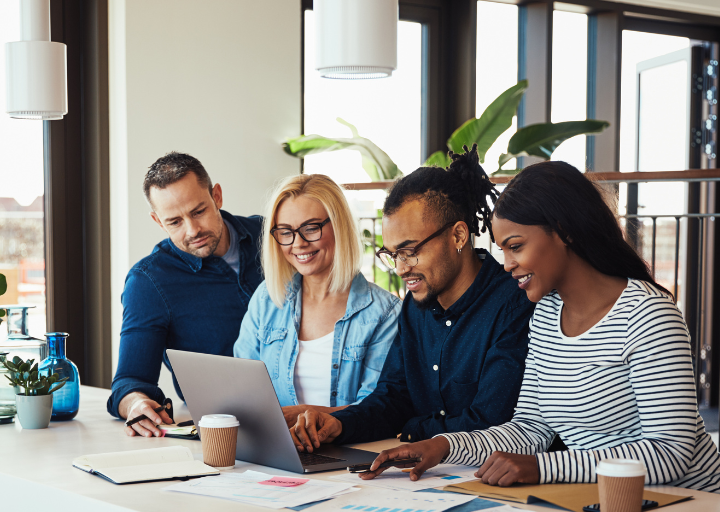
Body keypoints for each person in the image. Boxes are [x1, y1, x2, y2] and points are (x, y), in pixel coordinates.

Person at [362, 160, 720, 498]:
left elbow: (671, 453)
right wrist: (444, 446)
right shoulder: (547, 314)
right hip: (615, 503)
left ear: (563, 232)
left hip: (700, 506)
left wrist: (543, 468)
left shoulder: (648, 315)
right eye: (502, 249)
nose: (507, 264)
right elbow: (531, 428)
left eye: (515, 246)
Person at [290, 147, 533, 451]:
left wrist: (414, 427)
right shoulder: (414, 308)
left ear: (458, 236)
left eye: (410, 252)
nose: (402, 268)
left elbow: (489, 422)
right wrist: (340, 424)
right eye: (393, 254)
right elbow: (393, 398)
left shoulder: (514, 305)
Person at [108, 152, 263, 437]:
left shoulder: (274, 236)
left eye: (198, 211)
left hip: (315, 413)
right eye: (175, 222)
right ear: (157, 220)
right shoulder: (149, 281)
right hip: (226, 430)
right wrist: (136, 403)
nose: (193, 230)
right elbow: (130, 380)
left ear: (216, 196)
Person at [233, 175, 401, 424]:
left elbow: (375, 407)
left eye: (311, 228)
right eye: (286, 232)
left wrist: (302, 414)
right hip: (275, 449)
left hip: (348, 451)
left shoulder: (385, 312)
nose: (298, 243)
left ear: (339, 226)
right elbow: (241, 386)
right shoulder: (267, 300)